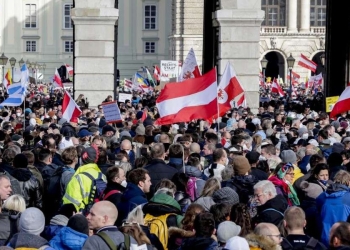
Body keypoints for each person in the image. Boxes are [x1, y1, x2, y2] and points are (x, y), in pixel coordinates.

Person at [63, 146, 106, 213]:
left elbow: (70, 204)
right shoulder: (102, 176)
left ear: (81, 159)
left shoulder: (78, 178)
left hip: (81, 217)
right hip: (97, 216)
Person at [316, 170, 350, 246]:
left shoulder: (322, 196)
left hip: (325, 238)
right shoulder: (348, 198)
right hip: (345, 238)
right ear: (348, 182)